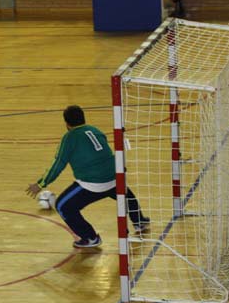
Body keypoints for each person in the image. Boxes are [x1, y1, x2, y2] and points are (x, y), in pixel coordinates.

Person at [26, 105, 149, 248]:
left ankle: (90, 237)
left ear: (66, 123)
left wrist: (40, 184)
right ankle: (139, 221)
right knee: (126, 194)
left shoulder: (69, 138)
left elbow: (58, 165)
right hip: (115, 177)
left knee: (62, 206)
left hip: (92, 185)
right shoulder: (96, 130)